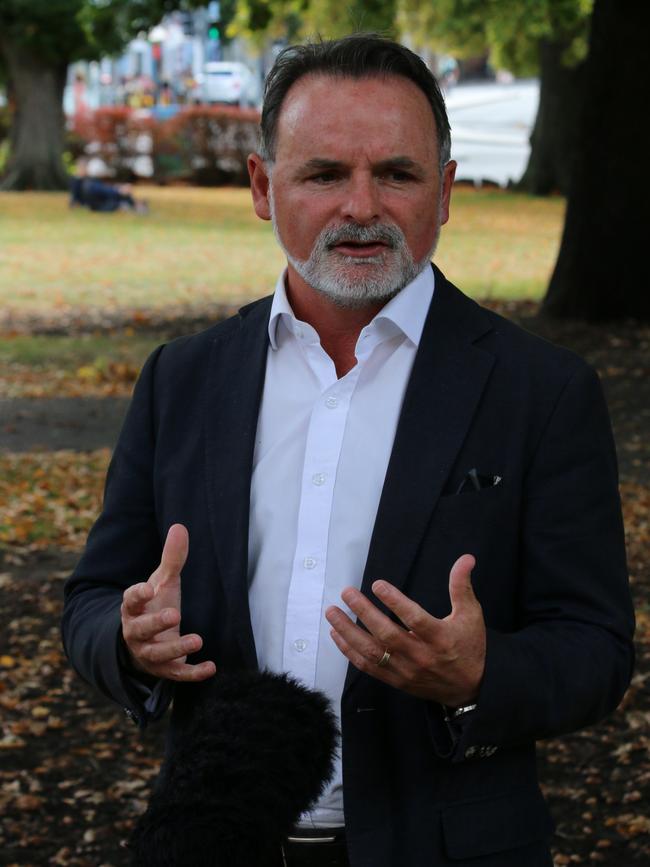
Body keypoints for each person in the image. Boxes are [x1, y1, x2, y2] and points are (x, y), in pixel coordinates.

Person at [62, 34, 634, 867]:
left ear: (444, 192)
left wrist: (480, 674)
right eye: (325, 173)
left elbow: (596, 647)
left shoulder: (540, 390)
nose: (361, 206)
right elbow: (89, 600)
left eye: (396, 174)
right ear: (264, 186)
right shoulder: (182, 380)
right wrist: (128, 639)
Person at [69, 159, 148, 213]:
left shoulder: (89, 179)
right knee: (118, 195)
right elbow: (75, 197)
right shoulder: (79, 181)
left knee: (118, 193)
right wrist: (118, 190)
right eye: (81, 167)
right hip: (97, 202)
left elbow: (103, 188)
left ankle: (135, 204)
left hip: (101, 198)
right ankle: (134, 204)